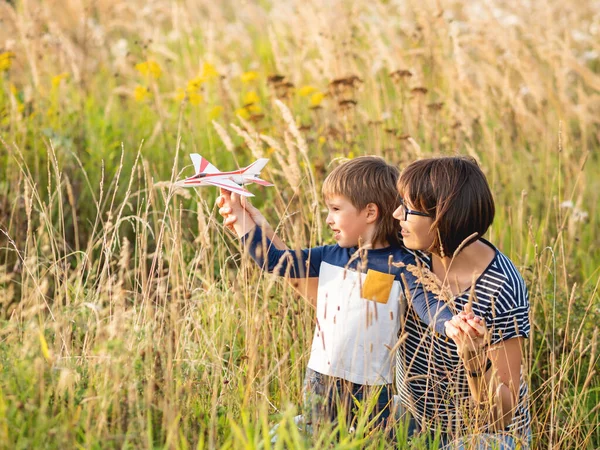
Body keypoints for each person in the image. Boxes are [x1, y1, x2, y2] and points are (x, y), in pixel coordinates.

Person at [217, 156, 453, 433]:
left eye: (336, 209)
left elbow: (429, 306)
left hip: (372, 384)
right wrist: (242, 219)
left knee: (369, 439)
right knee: (320, 435)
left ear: (369, 213)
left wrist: (451, 324)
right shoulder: (329, 256)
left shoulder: (400, 264)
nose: (328, 219)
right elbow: (274, 261)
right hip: (322, 375)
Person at [392, 156, 531, 449]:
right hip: (414, 425)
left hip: (485, 438)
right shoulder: (409, 255)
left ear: (443, 217)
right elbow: (359, 305)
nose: (396, 214)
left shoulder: (501, 287)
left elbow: (501, 417)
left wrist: (475, 361)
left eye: (407, 209)